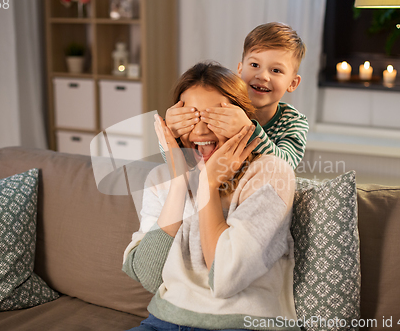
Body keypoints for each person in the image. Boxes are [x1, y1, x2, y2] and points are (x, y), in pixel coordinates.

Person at [123, 62, 297, 331]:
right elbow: (148, 276)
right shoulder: (163, 178)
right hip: (162, 322)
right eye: (190, 118)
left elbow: (224, 278)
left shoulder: (271, 173)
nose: (201, 131)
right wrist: (179, 184)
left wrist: (207, 186)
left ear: (242, 119)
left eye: (214, 118)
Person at [164, 22, 309, 170]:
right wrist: (169, 133)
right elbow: (176, 163)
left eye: (276, 70)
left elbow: (285, 166)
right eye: (254, 65)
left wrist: (248, 129)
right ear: (240, 69)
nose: (263, 76)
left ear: (292, 83)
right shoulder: (225, 102)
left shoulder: (293, 122)